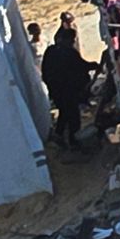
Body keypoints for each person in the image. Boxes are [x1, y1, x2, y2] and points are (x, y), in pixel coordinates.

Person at [41, 14, 94, 150]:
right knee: (73, 116)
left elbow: (45, 72)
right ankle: (73, 141)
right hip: (67, 91)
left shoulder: (50, 51)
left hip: (56, 90)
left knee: (64, 113)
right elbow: (80, 66)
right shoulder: (68, 53)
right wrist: (94, 65)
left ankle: (59, 135)